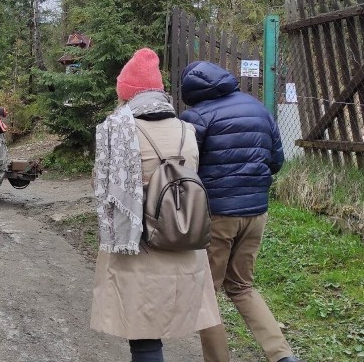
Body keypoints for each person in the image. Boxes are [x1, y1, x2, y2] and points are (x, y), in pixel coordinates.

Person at [90, 48, 221, 362]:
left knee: (145, 338)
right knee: (166, 320)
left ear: (126, 94)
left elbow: (102, 188)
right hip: (185, 240)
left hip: (140, 244)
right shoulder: (187, 131)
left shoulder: (117, 131)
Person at [178, 61, 301, 362]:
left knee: (207, 294)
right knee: (242, 285)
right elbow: (276, 161)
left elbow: (185, 170)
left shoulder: (195, 117)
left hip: (217, 216)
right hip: (256, 212)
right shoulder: (258, 108)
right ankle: (282, 355)